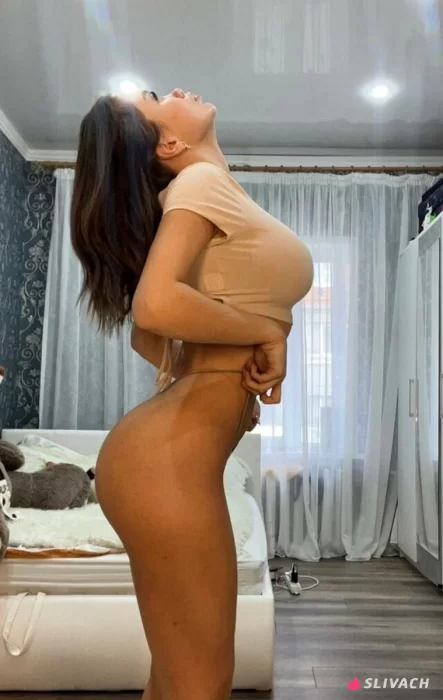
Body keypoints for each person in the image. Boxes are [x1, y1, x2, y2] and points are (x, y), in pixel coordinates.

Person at [70, 87, 313, 700]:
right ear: (169, 144)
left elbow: (148, 337)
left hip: (157, 458)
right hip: (162, 464)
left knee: (178, 682)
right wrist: (263, 336)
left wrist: (222, 375)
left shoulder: (203, 193)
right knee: (200, 687)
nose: (177, 90)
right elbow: (154, 307)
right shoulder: (200, 183)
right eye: (157, 98)